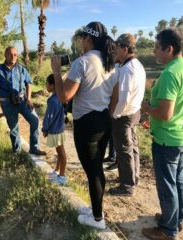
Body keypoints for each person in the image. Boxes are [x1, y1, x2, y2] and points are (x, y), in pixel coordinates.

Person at [51, 21, 116, 229]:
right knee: (96, 169)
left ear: (88, 39)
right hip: (104, 120)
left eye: (81, 37)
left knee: (93, 171)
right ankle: (95, 209)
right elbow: (115, 95)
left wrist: (55, 70)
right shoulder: (109, 62)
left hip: (86, 124)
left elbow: (64, 97)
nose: (80, 41)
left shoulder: (83, 62)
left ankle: (97, 219)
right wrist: (108, 115)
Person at [141, 28, 183, 240]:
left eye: (157, 47)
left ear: (169, 49)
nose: (154, 51)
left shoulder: (170, 73)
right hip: (181, 136)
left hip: (167, 139)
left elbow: (165, 113)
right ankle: (175, 219)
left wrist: (147, 108)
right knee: (178, 182)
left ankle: (168, 231)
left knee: (167, 186)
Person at [108, 33, 146, 196]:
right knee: (133, 147)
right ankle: (133, 177)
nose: (115, 51)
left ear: (125, 49)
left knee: (123, 150)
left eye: (117, 48)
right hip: (135, 112)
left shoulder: (126, 70)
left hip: (124, 115)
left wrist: (114, 114)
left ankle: (127, 185)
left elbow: (123, 99)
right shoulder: (137, 65)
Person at [42, 74, 67, 185]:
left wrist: (45, 129)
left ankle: (62, 177)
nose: (46, 86)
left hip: (55, 130)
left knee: (61, 153)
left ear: (52, 85)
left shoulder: (52, 100)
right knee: (59, 152)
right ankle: (57, 170)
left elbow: (49, 117)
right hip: (59, 128)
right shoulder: (61, 97)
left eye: (47, 83)